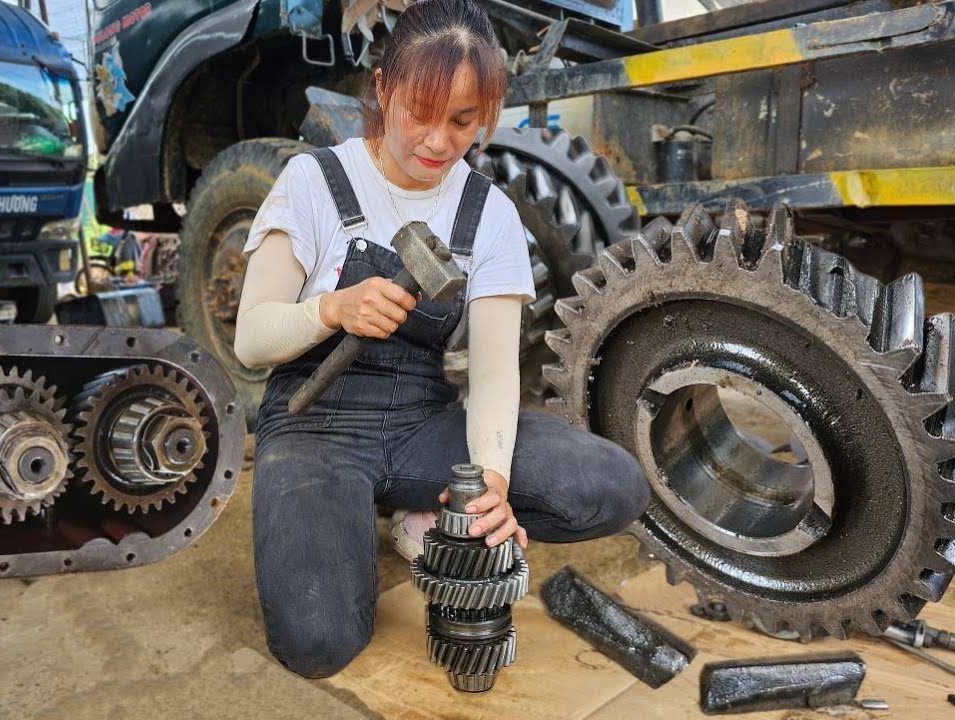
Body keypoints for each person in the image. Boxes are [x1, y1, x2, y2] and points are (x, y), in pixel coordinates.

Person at [232, 0, 649, 679]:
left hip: (424, 423)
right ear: (384, 90)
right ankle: (329, 511)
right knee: (317, 641)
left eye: (462, 120)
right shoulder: (315, 182)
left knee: (609, 486)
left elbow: (491, 375)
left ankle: (429, 515)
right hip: (317, 430)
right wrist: (331, 310)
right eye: (419, 113)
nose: (437, 141)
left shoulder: (489, 213)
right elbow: (251, 341)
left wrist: (488, 481)